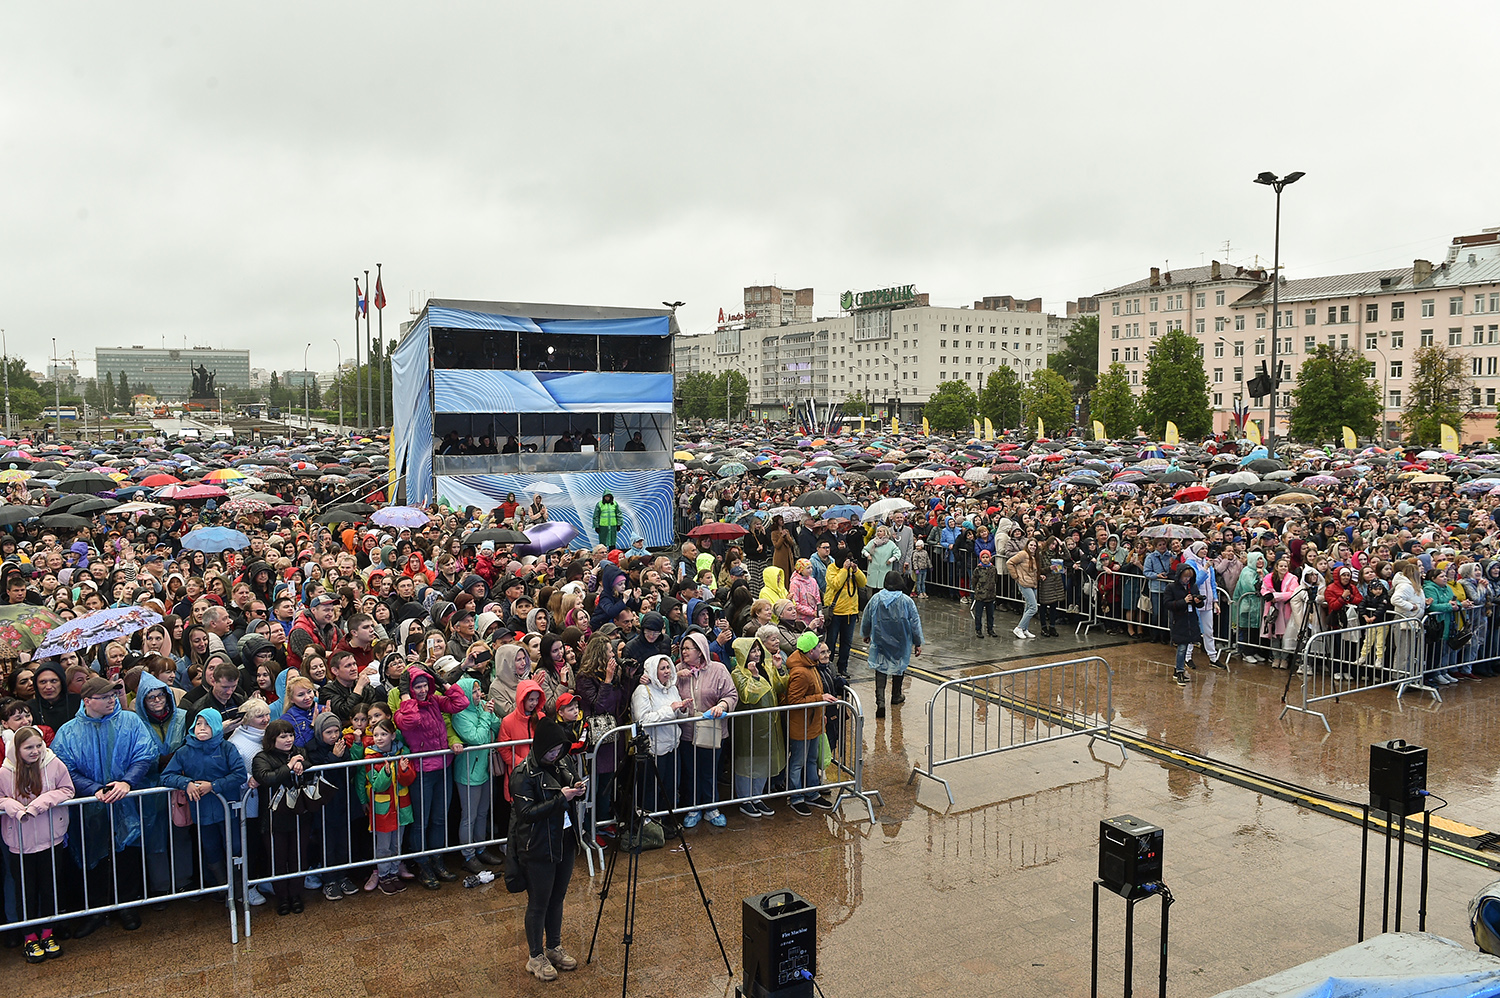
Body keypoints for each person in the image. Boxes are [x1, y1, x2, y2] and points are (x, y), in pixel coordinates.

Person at [51, 675, 159, 935]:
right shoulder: (68, 731)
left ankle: (128, 906)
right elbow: (63, 767)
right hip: (90, 807)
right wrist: (94, 790)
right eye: (105, 697)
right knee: (92, 857)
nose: (112, 700)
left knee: (128, 854)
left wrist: (127, 783)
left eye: (113, 695)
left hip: (126, 801)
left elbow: (145, 754)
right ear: (87, 700)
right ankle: (96, 910)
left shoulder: (130, 721)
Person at [509, 718, 586, 982]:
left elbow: (573, 785)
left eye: (559, 750)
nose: (556, 755)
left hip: (563, 839)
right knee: (539, 902)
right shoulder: (522, 775)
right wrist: (560, 799)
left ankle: (553, 946)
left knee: (558, 897)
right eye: (551, 751)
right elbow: (526, 813)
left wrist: (578, 789)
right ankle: (535, 955)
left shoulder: (563, 762)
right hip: (538, 845)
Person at [0, 725, 74, 961]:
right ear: (17, 749)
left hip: (50, 838)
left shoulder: (54, 764)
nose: (35, 751)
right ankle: (30, 937)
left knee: (50, 887)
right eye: (28, 747)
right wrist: (9, 806)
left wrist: (42, 802)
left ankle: (48, 933)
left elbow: (67, 789)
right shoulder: (5, 771)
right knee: (26, 892)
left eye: (38, 746)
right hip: (19, 843)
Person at [783, 631, 838, 815]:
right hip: (802, 725)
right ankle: (796, 796)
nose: (819, 649)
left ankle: (812, 792)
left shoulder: (810, 665)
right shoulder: (801, 672)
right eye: (816, 647)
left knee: (811, 759)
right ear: (809, 652)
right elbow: (794, 701)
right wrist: (819, 698)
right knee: (798, 761)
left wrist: (820, 708)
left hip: (813, 722)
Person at [860, 573, 923, 719]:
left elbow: (867, 617)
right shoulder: (906, 601)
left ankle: (880, 701)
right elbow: (915, 622)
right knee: (899, 666)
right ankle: (896, 695)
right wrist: (917, 642)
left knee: (880, 668)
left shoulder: (876, 599)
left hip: (880, 639)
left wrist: (866, 633)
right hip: (901, 640)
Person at [822, 554, 866, 680]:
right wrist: (844, 570)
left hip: (850, 613)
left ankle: (843, 668)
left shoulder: (852, 571)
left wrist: (856, 571)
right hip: (835, 613)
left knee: (846, 643)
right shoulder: (832, 569)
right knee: (831, 642)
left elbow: (863, 583)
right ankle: (828, 668)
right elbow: (835, 584)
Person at [1165, 565, 1204, 686]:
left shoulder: (1193, 586)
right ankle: (1179, 670)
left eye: (1189, 577)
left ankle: (1178, 670)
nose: (1187, 579)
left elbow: (1199, 605)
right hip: (1179, 620)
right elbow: (1167, 604)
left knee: (1186, 645)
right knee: (1181, 647)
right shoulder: (1171, 587)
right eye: (1185, 577)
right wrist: (1183, 602)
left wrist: (1198, 601)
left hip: (1191, 620)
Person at [1007, 537, 1042, 640]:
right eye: (1031, 545)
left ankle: (1024, 628)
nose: (1033, 547)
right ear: (1027, 545)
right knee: (1033, 607)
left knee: (1028, 606)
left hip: (1033, 583)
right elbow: (1010, 562)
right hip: (1024, 583)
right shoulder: (1023, 554)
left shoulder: (1035, 557)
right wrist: (1016, 576)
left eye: (1035, 546)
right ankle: (1019, 627)